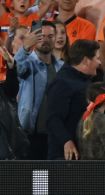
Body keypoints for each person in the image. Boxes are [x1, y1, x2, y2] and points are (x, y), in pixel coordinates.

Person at [15, 20, 63, 159]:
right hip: (31, 134)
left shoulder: (61, 67)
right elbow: (17, 69)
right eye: (41, 36)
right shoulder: (27, 63)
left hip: (55, 135)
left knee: (54, 179)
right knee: (33, 178)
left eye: (50, 36)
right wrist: (24, 48)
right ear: (34, 38)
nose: (46, 40)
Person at [47, 39, 101, 160]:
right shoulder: (62, 83)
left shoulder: (85, 81)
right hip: (65, 157)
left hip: (84, 154)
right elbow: (53, 118)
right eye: (97, 58)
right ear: (86, 61)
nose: (100, 62)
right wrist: (66, 141)